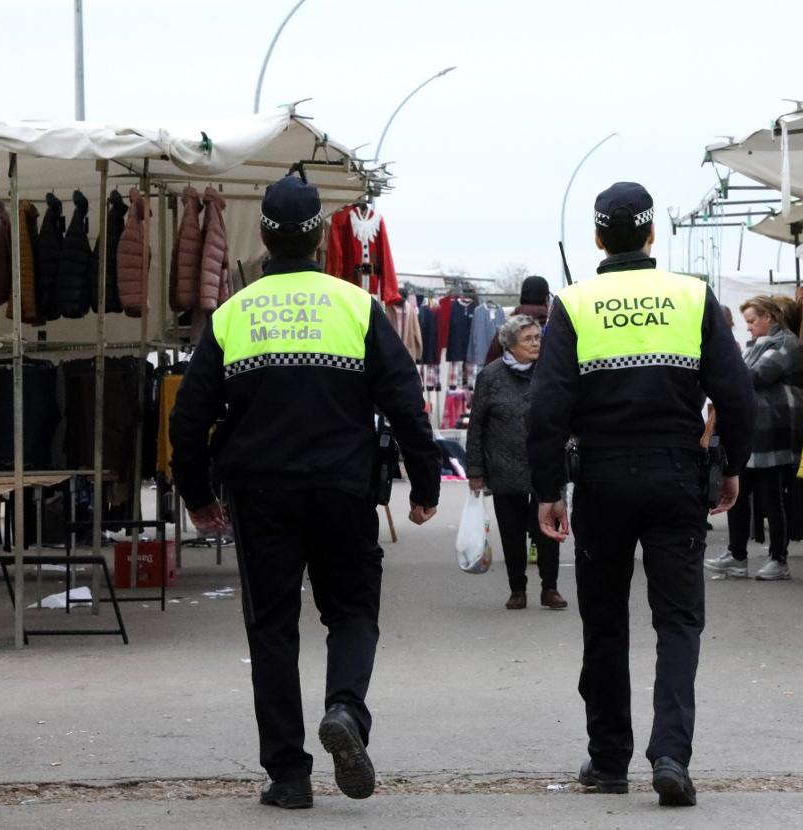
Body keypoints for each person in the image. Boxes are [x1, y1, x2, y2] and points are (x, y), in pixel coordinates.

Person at [169, 174, 440, 810]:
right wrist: (424, 483)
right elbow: (405, 402)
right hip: (343, 488)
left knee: (272, 627)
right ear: (321, 237)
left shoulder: (234, 314)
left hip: (259, 492)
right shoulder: (357, 308)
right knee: (350, 610)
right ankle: (345, 708)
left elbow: (189, 417)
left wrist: (196, 492)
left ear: (263, 237)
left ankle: (288, 776)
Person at [528, 181, 755, 808]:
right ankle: (671, 755)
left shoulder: (573, 304)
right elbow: (737, 395)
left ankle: (608, 760)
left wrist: (549, 488)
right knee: (678, 620)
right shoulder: (691, 297)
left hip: (599, 477)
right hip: (677, 474)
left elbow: (547, 406)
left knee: (603, 621)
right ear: (653, 235)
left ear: (598, 238)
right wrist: (730, 464)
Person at [467, 314, 566, 611]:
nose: (536, 343)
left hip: (543, 466)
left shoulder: (549, 371)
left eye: (538, 338)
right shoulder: (491, 376)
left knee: (547, 530)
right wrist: (475, 469)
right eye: (528, 339)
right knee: (511, 533)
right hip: (504, 466)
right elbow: (477, 425)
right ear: (510, 344)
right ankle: (517, 589)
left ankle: (550, 588)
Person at [705, 296, 803, 581]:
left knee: (771, 496)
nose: (747, 328)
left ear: (768, 318)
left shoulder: (785, 344)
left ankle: (778, 558)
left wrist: (724, 370)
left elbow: (756, 376)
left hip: (772, 430)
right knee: (737, 493)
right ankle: (736, 556)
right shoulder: (759, 345)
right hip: (754, 430)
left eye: (751, 321)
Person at [484, 274, 552, 364]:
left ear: (522, 296)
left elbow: (490, 365)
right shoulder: (555, 328)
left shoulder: (507, 329)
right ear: (546, 298)